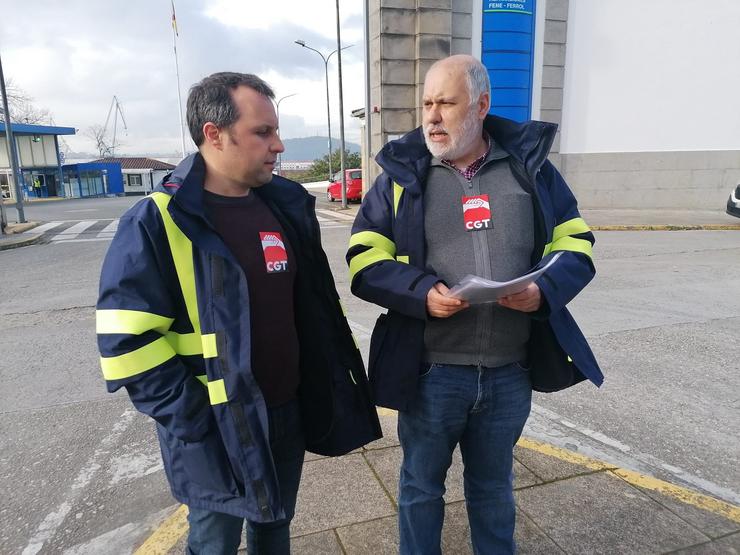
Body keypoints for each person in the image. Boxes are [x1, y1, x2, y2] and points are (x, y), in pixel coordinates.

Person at [96, 72, 381, 555]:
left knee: (275, 527)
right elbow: (126, 344)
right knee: (214, 543)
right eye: (263, 132)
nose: (279, 145)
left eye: (276, 131)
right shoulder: (157, 221)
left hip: (283, 413)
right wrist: (194, 419)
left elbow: (308, 309)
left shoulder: (283, 208)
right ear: (214, 133)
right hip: (214, 426)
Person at [347, 55, 604, 554]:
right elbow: (362, 258)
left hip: (509, 372)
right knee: (421, 487)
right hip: (432, 374)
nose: (432, 117)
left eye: (446, 102)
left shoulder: (531, 170)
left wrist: (543, 292)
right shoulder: (401, 176)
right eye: (427, 103)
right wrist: (419, 293)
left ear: (481, 105)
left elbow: (577, 241)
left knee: (493, 488)